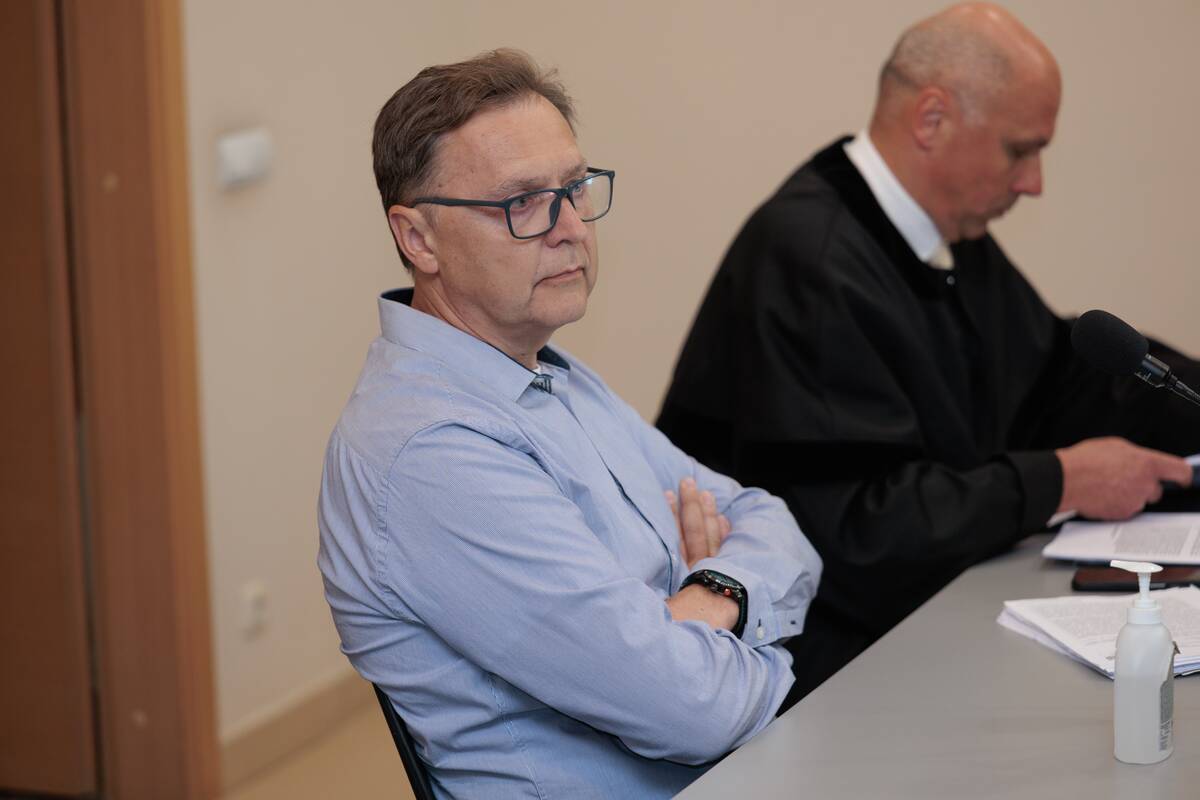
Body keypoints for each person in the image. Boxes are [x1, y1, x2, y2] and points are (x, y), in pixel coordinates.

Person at [656, 3, 1200, 703]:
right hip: (812, 675)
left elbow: (1057, 379)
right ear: (932, 119)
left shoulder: (944, 235)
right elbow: (853, 532)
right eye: (1020, 150)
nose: (1033, 182)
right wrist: (1059, 482)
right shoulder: (812, 261)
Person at [317, 50, 821, 799]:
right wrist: (748, 629)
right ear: (419, 239)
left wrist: (712, 593)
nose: (572, 228)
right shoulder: (428, 452)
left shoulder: (547, 372)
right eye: (522, 202)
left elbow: (772, 523)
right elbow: (696, 711)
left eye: (576, 188)